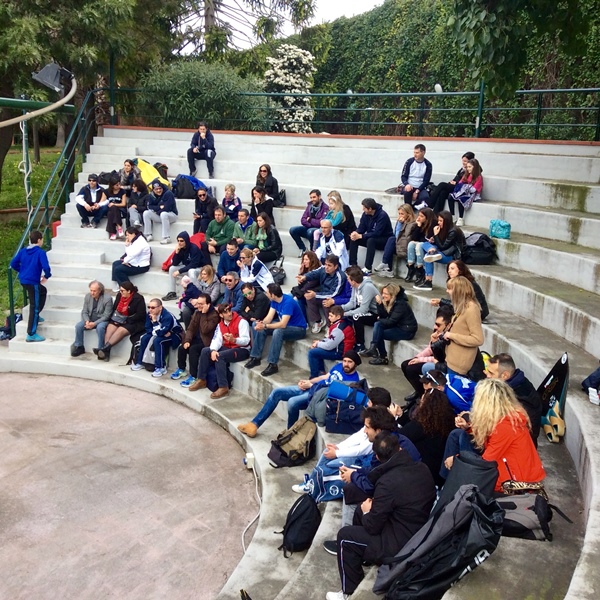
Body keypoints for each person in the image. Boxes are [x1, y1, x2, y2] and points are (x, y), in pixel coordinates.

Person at [327, 431, 436, 600]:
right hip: (416, 530)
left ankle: (349, 592)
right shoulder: (422, 468)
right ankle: (364, 558)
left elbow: (372, 525)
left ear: (377, 457)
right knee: (358, 511)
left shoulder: (388, 482)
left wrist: (367, 511)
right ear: (399, 449)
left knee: (345, 537)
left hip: (400, 544)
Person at [444, 379, 545, 493]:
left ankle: (448, 488)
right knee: (458, 434)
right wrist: (468, 428)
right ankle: (447, 485)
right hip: (512, 473)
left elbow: (486, 461)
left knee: (459, 462)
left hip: (515, 485)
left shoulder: (504, 426)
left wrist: (457, 459)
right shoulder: (507, 418)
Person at [291, 389, 393, 495]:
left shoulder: (382, 426)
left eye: (370, 402)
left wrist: (337, 453)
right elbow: (358, 436)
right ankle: (311, 483)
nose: (367, 404)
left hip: (362, 461)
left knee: (330, 465)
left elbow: (361, 450)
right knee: (327, 451)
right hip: (359, 455)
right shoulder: (372, 418)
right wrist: (338, 447)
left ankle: (314, 486)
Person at [238, 351, 362, 437]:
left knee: (292, 402)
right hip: (312, 388)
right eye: (345, 361)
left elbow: (331, 394)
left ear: (355, 364)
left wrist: (311, 386)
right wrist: (309, 381)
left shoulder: (352, 381)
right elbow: (324, 377)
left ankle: (290, 432)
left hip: (318, 397)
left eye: (349, 362)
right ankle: (254, 424)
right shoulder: (339, 366)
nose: (346, 364)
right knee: (277, 392)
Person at [244, 283, 307, 377]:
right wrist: (261, 324)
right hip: (286, 326)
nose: (266, 294)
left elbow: (282, 324)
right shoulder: (274, 301)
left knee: (278, 331)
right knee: (255, 324)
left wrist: (265, 326)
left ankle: (273, 364)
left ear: (273, 295)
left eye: (267, 292)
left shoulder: (288, 302)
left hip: (298, 329)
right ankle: (255, 357)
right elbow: (268, 318)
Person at [189, 303, 252, 398]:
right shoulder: (220, 325)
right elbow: (216, 340)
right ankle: (201, 380)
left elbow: (246, 340)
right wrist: (213, 350)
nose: (229, 314)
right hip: (228, 348)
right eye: (225, 312)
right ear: (221, 315)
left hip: (242, 349)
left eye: (229, 310)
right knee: (206, 351)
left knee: (220, 356)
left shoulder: (242, 322)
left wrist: (235, 340)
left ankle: (223, 386)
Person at [399, 387, 456, 488]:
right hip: (439, 475)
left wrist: (393, 418)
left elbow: (398, 437)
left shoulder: (420, 425)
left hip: (420, 475)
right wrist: (401, 415)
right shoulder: (450, 424)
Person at [485, 353, 543, 446]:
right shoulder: (516, 382)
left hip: (519, 446)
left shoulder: (520, 396)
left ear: (505, 375)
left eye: (491, 373)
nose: (487, 376)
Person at [401, 305, 454, 402]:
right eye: (435, 323)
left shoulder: (449, 337)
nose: (435, 327)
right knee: (405, 364)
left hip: (442, 364)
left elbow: (439, 359)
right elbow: (430, 349)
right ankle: (419, 391)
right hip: (436, 359)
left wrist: (420, 360)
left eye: (438, 325)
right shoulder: (439, 331)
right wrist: (418, 356)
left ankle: (423, 395)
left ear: (449, 325)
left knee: (411, 369)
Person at [360, 283, 418, 365]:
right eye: (383, 293)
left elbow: (391, 321)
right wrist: (379, 304)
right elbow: (385, 316)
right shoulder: (391, 301)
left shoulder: (400, 303)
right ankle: (375, 350)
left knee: (379, 328)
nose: (383, 295)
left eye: (386, 294)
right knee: (378, 326)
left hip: (407, 330)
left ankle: (380, 354)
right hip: (398, 325)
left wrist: (380, 319)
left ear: (392, 294)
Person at [10, 230, 51, 343]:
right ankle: (31, 334)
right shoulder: (40, 252)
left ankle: (36, 316)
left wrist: (22, 271)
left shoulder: (23, 251)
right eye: (42, 239)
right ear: (38, 240)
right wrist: (47, 276)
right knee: (34, 306)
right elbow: (46, 267)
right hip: (33, 282)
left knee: (42, 291)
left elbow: (13, 263)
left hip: (24, 280)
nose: (42, 241)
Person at [173, 293, 221, 388]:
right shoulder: (196, 312)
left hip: (207, 342)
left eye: (201, 304)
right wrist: (187, 340)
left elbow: (205, 329)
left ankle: (194, 376)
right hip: (197, 339)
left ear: (208, 304)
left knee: (193, 349)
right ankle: (181, 369)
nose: (198, 306)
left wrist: (203, 314)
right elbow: (191, 328)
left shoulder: (214, 315)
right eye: (198, 303)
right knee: (182, 348)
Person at [442, 276, 484, 377]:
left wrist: (452, 335)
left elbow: (478, 339)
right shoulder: (462, 306)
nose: (447, 291)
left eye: (450, 288)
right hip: (452, 359)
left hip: (459, 363)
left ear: (458, 291)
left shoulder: (471, 309)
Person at [130, 299, 182, 377]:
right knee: (145, 338)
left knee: (158, 341)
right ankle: (140, 362)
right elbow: (147, 327)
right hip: (159, 333)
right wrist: (156, 332)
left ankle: (160, 367)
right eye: (149, 307)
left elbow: (161, 333)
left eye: (153, 307)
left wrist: (154, 322)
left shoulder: (167, 316)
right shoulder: (149, 314)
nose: (150, 309)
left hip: (175, 336)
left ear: (160, 307)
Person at [415, 210, 465, 291]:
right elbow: (441, 244)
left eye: (441, 221)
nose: (438, 222)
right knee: (424, 244)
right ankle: (432, 251)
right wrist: (433, 240)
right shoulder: (443, 228)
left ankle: (428, 281)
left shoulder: (453, 231)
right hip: (442, 252)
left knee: (428, 257)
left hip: (452, 255)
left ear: (446, 221)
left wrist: (436, 235)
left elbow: (443, 246)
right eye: (438, 220)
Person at [96, 281, 146, 361]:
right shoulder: (119, 295)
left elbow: (140, 314)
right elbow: (115, 308)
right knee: (109, 330)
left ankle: (104, 349)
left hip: (133, 321)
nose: (120, 292)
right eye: (120, 290)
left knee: (120, 330)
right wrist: (115, 320)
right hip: (119, 318)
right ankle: (106, 352)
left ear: (129, 291)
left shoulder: (138, 298)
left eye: (122, 291)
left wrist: (126, 320)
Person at [300, 254, 347, 333]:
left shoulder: (340, 276)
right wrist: (305, 277)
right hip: (323, 293)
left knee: (326, 302)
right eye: (325, 264)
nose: (326, 267)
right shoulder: (323, 268)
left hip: (335, 298)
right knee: (309, 296)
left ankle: (330, 326)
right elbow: (314, 273)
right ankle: (318, 321)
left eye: (329, 265)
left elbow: (333, 293)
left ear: (335, 267)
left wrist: (316, 294)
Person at [307, 305, 356, 378]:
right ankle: (321, 372)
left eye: (331, 316)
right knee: (317, 349)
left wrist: (318, 344)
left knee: (312, 352)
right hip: (338, 348)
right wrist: (321, 341)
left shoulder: (339, 329)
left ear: (338, 317)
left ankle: (314, 377)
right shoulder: (341, 323)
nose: (329, 318)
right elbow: (331, 339)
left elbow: (329, 346)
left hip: (340, 353)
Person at [348, 197, 393, 275]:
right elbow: (361, 228)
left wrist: (361, 236)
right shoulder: (365, 215)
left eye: (364, 208)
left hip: (384, 240)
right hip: (371, 237)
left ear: (370, 209)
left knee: (371, 240)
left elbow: (377, 233)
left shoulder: (382, 216)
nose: (363, 209)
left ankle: (368, 267)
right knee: (354, 239)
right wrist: (355, 233)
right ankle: (353, 265)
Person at [341, 266, 379, 353]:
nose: (347, 280)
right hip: (367, 310)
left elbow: (364, 309)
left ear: (353, 281)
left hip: (376, 313)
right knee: (349, 315)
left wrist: (346, 313)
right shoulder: (355, 286)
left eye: (348, 279)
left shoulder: (367, 287)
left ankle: (360, 345)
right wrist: (341, 309)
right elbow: (352, 303)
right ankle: (348, 339)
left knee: (356, 316)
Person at [71, 280, 113, 357]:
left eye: (94, 291)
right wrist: (87, 321)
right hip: (90, 319)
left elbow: (107, 315)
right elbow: (84, 311)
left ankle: (101, 349)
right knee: (79, 326)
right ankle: (79, 346)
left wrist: (94, 324)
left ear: (100, 290)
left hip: (102, 320)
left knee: (100, 328)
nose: (92, 293)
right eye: (91, 290)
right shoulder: (88, 296)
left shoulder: (107, 298)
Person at [375, 204, 416, 277]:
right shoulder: (400, 222)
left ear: (408, 214)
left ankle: (385, 264)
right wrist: (399, 224)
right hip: (399, 245)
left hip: (406, 246)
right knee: (390, 242)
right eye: (399, 213)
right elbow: (396, 235)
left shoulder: (412, 224)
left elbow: (402, 237)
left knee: (391, 239)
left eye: (402, 214)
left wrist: (400, 224)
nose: (400, 216)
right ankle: (388, 268)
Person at [162, 231, 204, 301]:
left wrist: (179, 271)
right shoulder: (181, 249)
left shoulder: (194, 248)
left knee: (191, 271)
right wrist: (177, 252)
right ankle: (172, 292)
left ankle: (194, 294)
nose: (179, 243)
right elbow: (175, 263)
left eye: (181, 241)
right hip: (189, 267)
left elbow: (194, 264)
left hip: (200, 269)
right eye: (178, 241)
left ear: (186, 241)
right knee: (172, 268)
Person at [111, 227, 151, 291]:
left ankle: (129, 288)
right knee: (115, 264)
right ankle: (118, 285)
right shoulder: (134, 240)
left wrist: (125, 261)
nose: (127, 237)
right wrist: (127, 245)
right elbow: (128, 253)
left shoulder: (141, 242)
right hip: (133, 262)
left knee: (118, 270)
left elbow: (132, 254)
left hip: (141, 266)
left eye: (128, 235)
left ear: (133, 234)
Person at [289, 189, 328, 255]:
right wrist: (311, 224)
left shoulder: (325, 208)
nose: (312, 199)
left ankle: (312, 251)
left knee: (310, 231)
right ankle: (303, 249)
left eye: (314, 197)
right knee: (292, 230)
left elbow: (321, 223)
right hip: (308, 228)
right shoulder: (309, 206)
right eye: (311, 197)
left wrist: (310, 220)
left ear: (319, 197)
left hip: (318, 230)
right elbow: (303, 220)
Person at [448, 158, 483, 225]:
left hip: (473, 195)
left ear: (475, 167)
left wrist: (465, 186)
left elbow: (474, 190)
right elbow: (460, 183)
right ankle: (452, 216)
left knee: (461, 199)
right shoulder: (467, 175)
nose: (468, 169)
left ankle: (461, 218)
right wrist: (463, 186)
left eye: (470, 167)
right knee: (450, 196)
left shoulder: (479, 177)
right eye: (467, 167)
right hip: (465, 191)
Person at [404, 207, 435, 285]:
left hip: (429, 246)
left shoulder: (433, 225)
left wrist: (419, 241)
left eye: (421, 216)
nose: (419, 218)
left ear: (427, 218)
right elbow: (414, 238)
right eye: (419, 215)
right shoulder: (421, 224)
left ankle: (420, 269)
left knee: (419, 245)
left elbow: (427, 240)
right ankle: (411, 268)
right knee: (411, 244)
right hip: (421, 243)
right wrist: (418, 226)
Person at [397, 143, 433, 208]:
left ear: (423, 152)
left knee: (426, 198)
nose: (415, 155)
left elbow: (426, 181)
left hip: (421, 187)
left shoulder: (428, 164)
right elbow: (403, 176)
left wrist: (417, 191)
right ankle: (408, 210)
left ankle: (413, 209)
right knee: (407, 193)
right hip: (409, 186)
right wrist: (407, 184)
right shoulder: (409, 162)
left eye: (417, 153)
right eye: (414, 152)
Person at [143, 180, 178, 244]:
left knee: (163, 214)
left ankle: (166, 237)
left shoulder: (168, 193)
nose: (158, 190)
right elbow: (149, 206)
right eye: (156, 189)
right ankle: (148, 235)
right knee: (146, 213)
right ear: (153, 190)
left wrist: (156, 209)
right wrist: (159, 207)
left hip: (171, 215)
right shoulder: (151, 195)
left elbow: (167, 208)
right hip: (160, 215)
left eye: (160, 188)